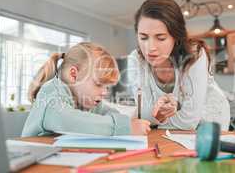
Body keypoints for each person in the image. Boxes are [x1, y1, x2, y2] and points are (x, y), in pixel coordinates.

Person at [128, 0, 230, 130]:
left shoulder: (195, 54)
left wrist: (155, 118)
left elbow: (188, 122)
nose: (150, 47)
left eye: (160, 38)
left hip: (210, 121)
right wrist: (150, 117)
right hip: (167, 129)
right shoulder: (136, 60)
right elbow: (144, 115)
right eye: (143, 37)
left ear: (176, 37)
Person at [22, 42, 151, 137]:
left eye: (107, 87)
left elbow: (112, 112)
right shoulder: (51, 96)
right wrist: (125, 127)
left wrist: (126, 123)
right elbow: (71, 121)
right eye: (99, 84)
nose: (104, 92)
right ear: (74, 75)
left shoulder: (86, 100)